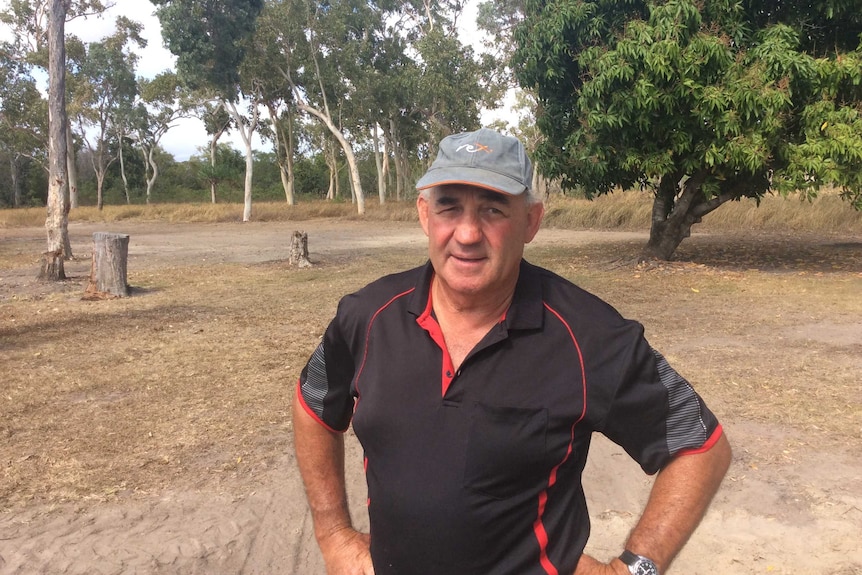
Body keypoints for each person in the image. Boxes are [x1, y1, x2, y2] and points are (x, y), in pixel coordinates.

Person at [293, 128, 732, 575]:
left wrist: (632, 570)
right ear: (425, 215)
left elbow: (698, 447)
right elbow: (314, 404)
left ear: (531, 222)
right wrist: (333, 535)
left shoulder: (591, 337)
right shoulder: (367, 317)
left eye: (493, 210)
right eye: (449, 206)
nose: (467, 233)